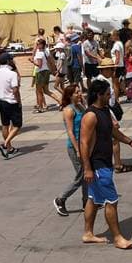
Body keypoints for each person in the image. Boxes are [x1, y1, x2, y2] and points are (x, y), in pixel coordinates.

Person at [80, 79, 132, 248]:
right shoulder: (90, 116)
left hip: (105, 162)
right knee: (111, 200)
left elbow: (114, 132)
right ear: (99, 95)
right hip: (97, 165)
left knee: (92, 199)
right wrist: (87, 168)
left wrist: (130, 142)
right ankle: (118, 238)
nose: (110, 97)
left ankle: (88, 233)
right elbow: (83, 143)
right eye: (107, 94)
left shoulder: (105, 110)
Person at [53, 84, 88, 217]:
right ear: (69, 95)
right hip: (74, 147)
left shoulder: (80, 106)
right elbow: (70, 132)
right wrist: (78, 150)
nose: (80, 94)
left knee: (86, 175)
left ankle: (87, 202)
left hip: (84, 145)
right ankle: (60, 199)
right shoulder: (68, 110)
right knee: (80, 176)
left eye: (80, 92)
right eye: (77, 93)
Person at [0, 53, 22, 158]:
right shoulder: (12, 74)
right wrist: (19, 101)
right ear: (9, 61)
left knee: (5, 125)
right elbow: (15, 90)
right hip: (11, 102)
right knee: (17, 125)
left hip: (0, 101)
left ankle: (9, 148)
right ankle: (5, 144)